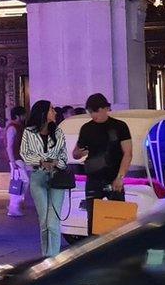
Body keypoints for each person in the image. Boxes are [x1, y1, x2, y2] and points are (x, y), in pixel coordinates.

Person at [73, 93, 132, 234]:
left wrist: (120, 177)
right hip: (94, 177)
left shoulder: (119, 126)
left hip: (113, 177)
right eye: (90, 112)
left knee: (117, 219)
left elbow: (128, 153)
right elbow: (76, 153)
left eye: (96, 111)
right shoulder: (87, 128)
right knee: (93, 221)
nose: (93, 115)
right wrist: (79, 153)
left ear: (104, 109)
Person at [20, 100, 68, 257]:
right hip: (38, 177)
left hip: (56, 178)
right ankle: (46, 257)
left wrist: (55, 163)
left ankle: (53, 258)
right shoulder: (29, 132)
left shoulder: (59, 132)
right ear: (43, 113)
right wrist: (41, 161)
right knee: (44, 222)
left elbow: (64, 157)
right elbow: (24, 154)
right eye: (51, 109)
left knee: (53, 222)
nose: (55, 112)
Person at [5, 106, 28, 217]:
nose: (25, 116)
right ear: (18, 115)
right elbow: (9, 146)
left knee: (20, 182)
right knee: (22, 182)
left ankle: (14, 206)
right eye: (23, 114)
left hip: (19, 158)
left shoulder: (19, 127)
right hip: (16, 159)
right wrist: (12, 161)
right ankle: (14, 207)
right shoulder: (13, 128)